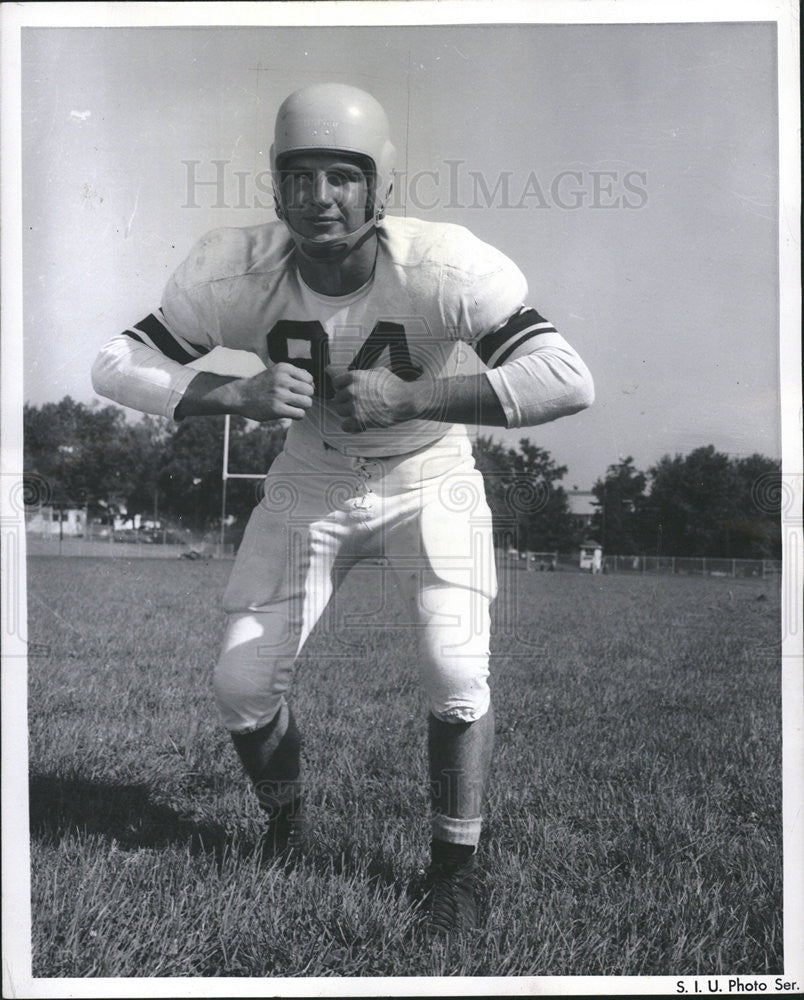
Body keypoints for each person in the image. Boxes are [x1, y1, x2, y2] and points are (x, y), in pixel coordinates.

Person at [92, 82, 594, 936]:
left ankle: (455, 871)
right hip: (310, 476)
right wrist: (228, 392)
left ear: (379, 186)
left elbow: (566, 379)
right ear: (275, 186)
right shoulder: (234, 269)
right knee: (241, 685)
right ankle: (286, 825)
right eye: (299, 176)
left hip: (426, 471)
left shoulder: (445, 265)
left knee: (456, 668)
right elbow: (115, 362)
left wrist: (414, 400)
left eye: (342, 176)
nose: (319, 198)